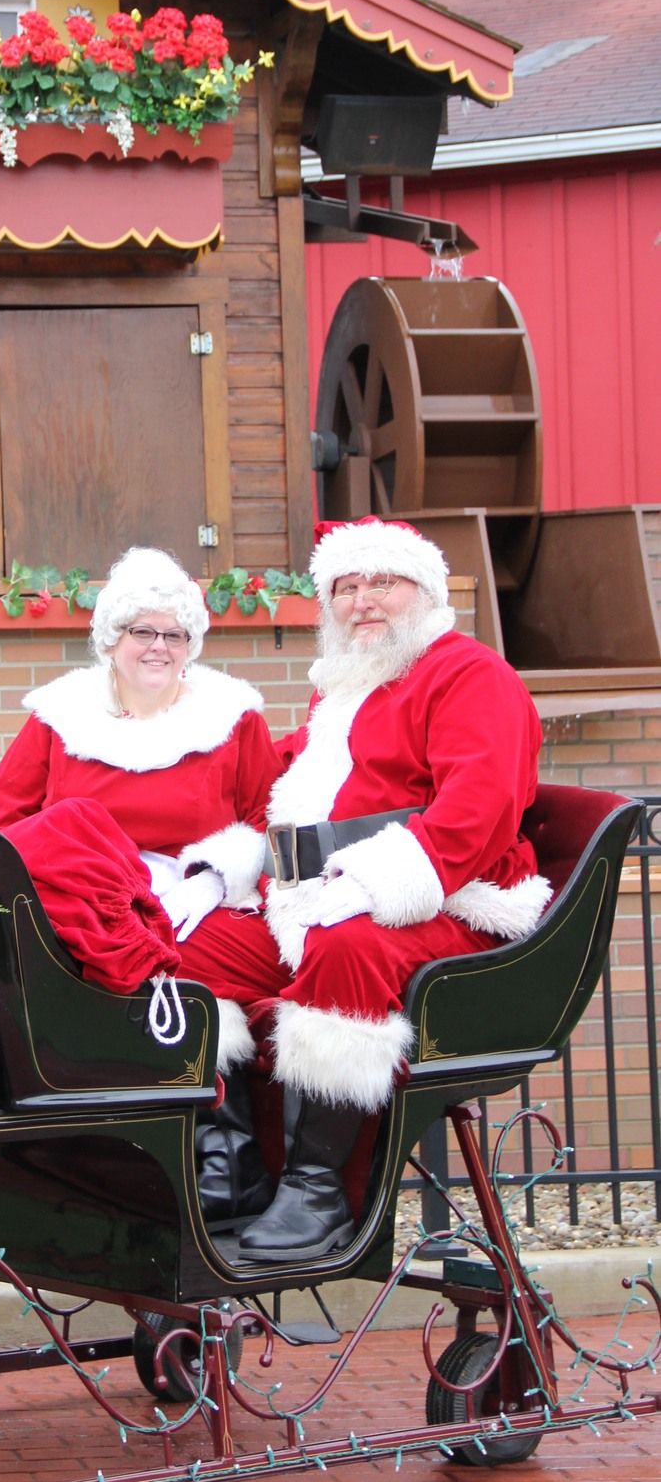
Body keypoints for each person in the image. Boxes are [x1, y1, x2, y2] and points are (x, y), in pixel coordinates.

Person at [180, 515, 548, 1262]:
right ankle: (233, 1162)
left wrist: (376, 884)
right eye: (344, 587)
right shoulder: (344, 688)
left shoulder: (470, 675)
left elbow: (476, 811)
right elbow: (282, 786)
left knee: (345, 948)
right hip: (316, 895)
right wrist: (215, 864)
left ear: (426, 592)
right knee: (191, 948)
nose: (361, 602)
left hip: (452, 899)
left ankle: (317, 1188)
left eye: (381, 582)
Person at [0, 542, 279, 1007]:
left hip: (197, 910)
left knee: (264, 961)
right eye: (143, 632)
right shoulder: (59, 718)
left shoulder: (233, 719)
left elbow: (271, 822)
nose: (159, 647)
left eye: (175, 635)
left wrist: (215, 880)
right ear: (112, 639)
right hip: (82, 912)